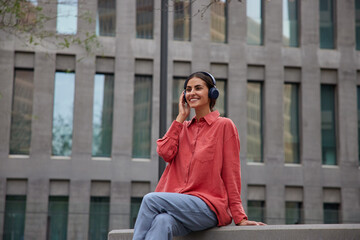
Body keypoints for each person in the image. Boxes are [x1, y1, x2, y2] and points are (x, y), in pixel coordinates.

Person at [132, 71, 265, 240]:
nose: (192, 92)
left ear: (211, 93)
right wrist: (180, 117)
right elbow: (164, 152)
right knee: (162, 221)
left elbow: (231, 174)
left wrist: (239, 217)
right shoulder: (182, 128)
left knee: (151, 200)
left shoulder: (224, 126)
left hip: (208, 207)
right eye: (188, 89)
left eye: (198, 88)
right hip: (181, 206)